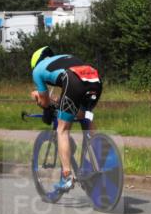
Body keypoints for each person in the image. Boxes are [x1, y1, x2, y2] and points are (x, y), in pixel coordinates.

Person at [29, 46, 103, 198]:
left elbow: (44, 102)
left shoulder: (37, 71)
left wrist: (37, 96)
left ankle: (67, 175)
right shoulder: (64, 58)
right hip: (95, 79)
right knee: (84, 117)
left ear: (35, 62)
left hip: (73, 81)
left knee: (62, 130)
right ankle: (96, 157)